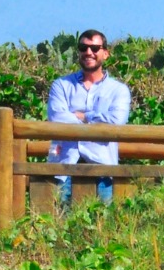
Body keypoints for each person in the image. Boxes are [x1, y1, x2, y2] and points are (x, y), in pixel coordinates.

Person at [46, 29, 131, 204]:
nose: (88, 52)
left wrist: (84, 116)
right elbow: (57, 118)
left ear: (106, 53)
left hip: (103, 170)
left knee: (103, 226)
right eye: (83, 47)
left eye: (94, 48)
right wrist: (98, 119)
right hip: (65, 169)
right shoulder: (61, 85)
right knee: (61, 225)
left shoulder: (119, 90)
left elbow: (117, 121)